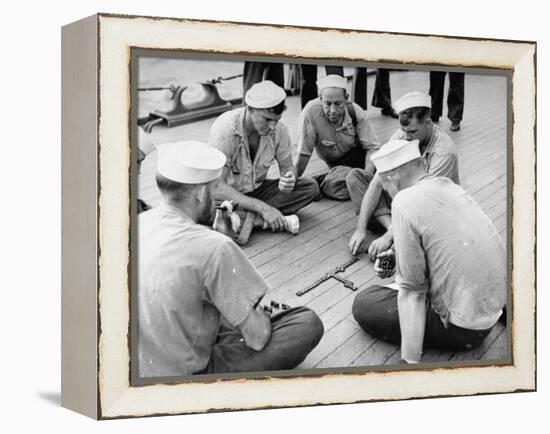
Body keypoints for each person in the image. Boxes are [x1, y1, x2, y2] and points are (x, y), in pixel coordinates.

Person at [137, 140, 324, 378]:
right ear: (201, 193)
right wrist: (261, 316)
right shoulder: (215, 247)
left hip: (141, 364)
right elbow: (257, 338)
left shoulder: (137, 223)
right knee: (305, 323)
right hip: (183, 374)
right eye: (215, 188)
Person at [352, 139, 506, 363]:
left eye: (385, 187)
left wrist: (409, 363)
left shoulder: (403, 200)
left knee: (365, 302)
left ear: (390, 179)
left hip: (464, 330)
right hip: (492, 310)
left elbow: (412, 293)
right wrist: (397, 257)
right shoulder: (449, 187)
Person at [348, 91, 459, 259]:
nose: (406, 137)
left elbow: (424, 205)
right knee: (355, 177)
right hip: (403, 204)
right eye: (403, 130)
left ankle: (396, 232)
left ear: (428, 123)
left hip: (429, 211)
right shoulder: (404, 135)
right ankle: (394, 227)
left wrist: (388, 238)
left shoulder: (444, 153)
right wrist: (360, 229)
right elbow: (378, 182)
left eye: (413, 131)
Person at [208, 80, 319, 244]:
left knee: (310, 187)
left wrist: (289, 178)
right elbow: (217, 187)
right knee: (208, 206)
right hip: (227, 195)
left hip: (256, 191)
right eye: (267, 119)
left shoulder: (280, 130)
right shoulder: (225, 130)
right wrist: (263, 208)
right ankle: (261, 221)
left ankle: (240, 221)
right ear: (250, 108)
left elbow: (288, 167)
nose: (273, 126)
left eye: (277, 119)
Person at [295, 74, 380, 201]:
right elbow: (304, 153)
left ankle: (333, 182)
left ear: (346, 98)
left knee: (387, 173)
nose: (333, 110)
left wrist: (365, 177)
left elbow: (373, 148)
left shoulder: (356, 112)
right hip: (337, 167)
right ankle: (327, 182)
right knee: (349, 183)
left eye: (338, 104)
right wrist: (294, 182)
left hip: (363, 161)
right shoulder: (310, 112)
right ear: (320, 98)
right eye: (327, 104)